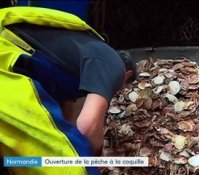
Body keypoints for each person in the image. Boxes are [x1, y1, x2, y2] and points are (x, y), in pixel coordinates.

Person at [0, 6, 136, 175]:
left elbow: (63, 110)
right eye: (122, 88)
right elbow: (86, 126)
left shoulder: (80, 56)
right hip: (6, 66)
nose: (117, 91)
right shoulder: (114, 66)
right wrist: (94, 155)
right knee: (74, 168)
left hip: (9, 58)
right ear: (127, 75)